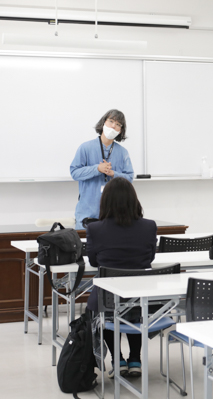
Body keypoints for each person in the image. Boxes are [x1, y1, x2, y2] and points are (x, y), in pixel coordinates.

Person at [85, 177, 157, 378]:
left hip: (108, 300)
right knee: (134, 309)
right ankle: (135, 358)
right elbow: (149, 258)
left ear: (105, 201)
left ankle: (118, 360)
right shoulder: (149, 226)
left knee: (102, 307)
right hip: (141, 300)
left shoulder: (95, 229)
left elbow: (93, 262)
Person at [71, 109, 134, 230]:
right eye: (111, 121)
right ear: (103, 122)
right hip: (87, 215)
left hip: (114, 215)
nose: (113, 126)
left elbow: (129, 178)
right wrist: (97, 169)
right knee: (86, 248)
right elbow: (74, 173)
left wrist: (113, 174)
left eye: (118, 124)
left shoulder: (123, 152)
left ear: (121, 130)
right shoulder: (85, 148)